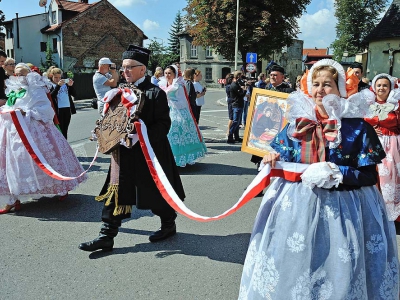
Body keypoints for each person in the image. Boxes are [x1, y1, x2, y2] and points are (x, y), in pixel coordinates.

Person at [238, 59, 399, 299]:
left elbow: (368, 176)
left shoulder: (357, 128)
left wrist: (338, 173)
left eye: (328, 84)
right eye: (316, 84)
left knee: (339, 268)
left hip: (345, 210)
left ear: (341, 90)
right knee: (297, 265)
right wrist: (271, 156)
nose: (320, 90)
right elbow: (282, 156)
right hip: (298, 208)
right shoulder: (296, 124)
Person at [79, 45, 186, 252]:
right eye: (123, 67)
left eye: (129, 67)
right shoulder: (118, 93)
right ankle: (106, 235)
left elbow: (164, 124)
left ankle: (168, 224)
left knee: (155, 193)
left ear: (142, 69)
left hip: (149, 154)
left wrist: (141, 134)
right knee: (116, 192)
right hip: (123, 153)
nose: (124, 71)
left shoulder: (156, 93)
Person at [0, 63, 87, 213]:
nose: (20, 77)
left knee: (47, 159)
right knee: (13, 164)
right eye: (17, 74)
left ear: (29, 74)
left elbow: (47, 111)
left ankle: (61, 188)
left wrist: (25, 112)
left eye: (23, 74)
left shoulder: (37, 89)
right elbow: (8, 106)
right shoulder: (14, 90)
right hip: (14, 133)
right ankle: (13, 198)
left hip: (35, 131)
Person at [365, 73, 400, 221]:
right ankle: (372, 211)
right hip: (372, 143)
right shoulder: (367, 104)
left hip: (392, 143)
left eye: (385, 85)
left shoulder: (396, 105)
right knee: (372, 175)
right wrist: (370, 128)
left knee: (390, 177)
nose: (381, 88)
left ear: (390, 88)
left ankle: (390, 213)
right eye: (379, 85)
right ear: (374, 87)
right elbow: (360, 121)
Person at [159, 65, 207, 167]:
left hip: (177, 111)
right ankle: (166, 158)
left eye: (169, 73)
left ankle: (179, 159)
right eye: (166, 73)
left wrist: (171, 103)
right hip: (165, 110)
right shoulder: (162, 84)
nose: (167, 75)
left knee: (177, 132)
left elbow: (183, 101)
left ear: (174, 75)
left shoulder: (179, 85)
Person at [250, 65, 295, 166]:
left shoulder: (289, 92)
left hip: (281, 126)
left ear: (282, 77)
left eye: (275, 75)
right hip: (266, 123)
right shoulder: (264, 90)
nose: (272, 77)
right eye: (271, 75)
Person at [48, 68, 76, 139]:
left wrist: (70, 86)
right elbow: (51, 97)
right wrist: (58, 86)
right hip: (58, 110)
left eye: (59, 77)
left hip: (67, 108)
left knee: (65, 130)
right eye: (56, 77)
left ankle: (65, 146)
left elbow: (74, 94)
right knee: (59, 130)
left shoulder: (65, 85)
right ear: (51, 76)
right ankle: (61, 146)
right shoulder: (50, 85)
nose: (58, 79)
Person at [228, 71, 246, 143]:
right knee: (235, 121)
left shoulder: (236, 84)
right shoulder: (234, 85)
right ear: (238, 76)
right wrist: (244, 90)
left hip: (239, 104)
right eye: (240, 76)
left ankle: (236, 137)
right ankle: (230, 136)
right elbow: (240, 94)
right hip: (236, 104)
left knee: (238, 122)